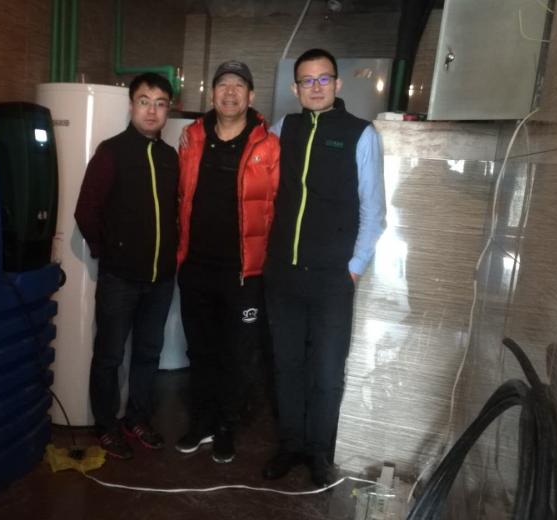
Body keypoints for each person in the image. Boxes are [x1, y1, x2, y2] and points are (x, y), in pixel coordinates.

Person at [262, 48, 386, 485]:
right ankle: (290, 445)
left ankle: (319, 451)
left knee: (328, 371)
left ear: (337, 83)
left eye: (323, 79)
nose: (315, 87)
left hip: (333, 278)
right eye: (307, 80)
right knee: (287, 366)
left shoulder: (360, 133)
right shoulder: (283, 129)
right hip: (283, 274)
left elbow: (374, 210)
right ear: (295, 88)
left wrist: (353, 267)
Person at [175, 60, 280, 463]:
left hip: (243, 272)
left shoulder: (269, 146)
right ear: (212, 93)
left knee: (237, 354)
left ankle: (225, 426)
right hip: (196, 267)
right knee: (199, 350)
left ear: (251, 96)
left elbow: (278, 207)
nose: (230, 92)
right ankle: (201, 420)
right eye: (223, 85)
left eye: (239, 85)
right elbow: (179, 196)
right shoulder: (192, 137)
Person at [74, 73, 179, 460]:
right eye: (144, 101)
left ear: (168, 109)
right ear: (132, 105)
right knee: (109, 355)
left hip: (161, 278)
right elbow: (86, 211)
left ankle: (138, 418)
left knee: (148, 353)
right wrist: (108, 251)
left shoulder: (170, 158)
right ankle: (105, 426)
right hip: (120, 278)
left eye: (160, 103)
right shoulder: (112, 152)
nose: (152, 110)